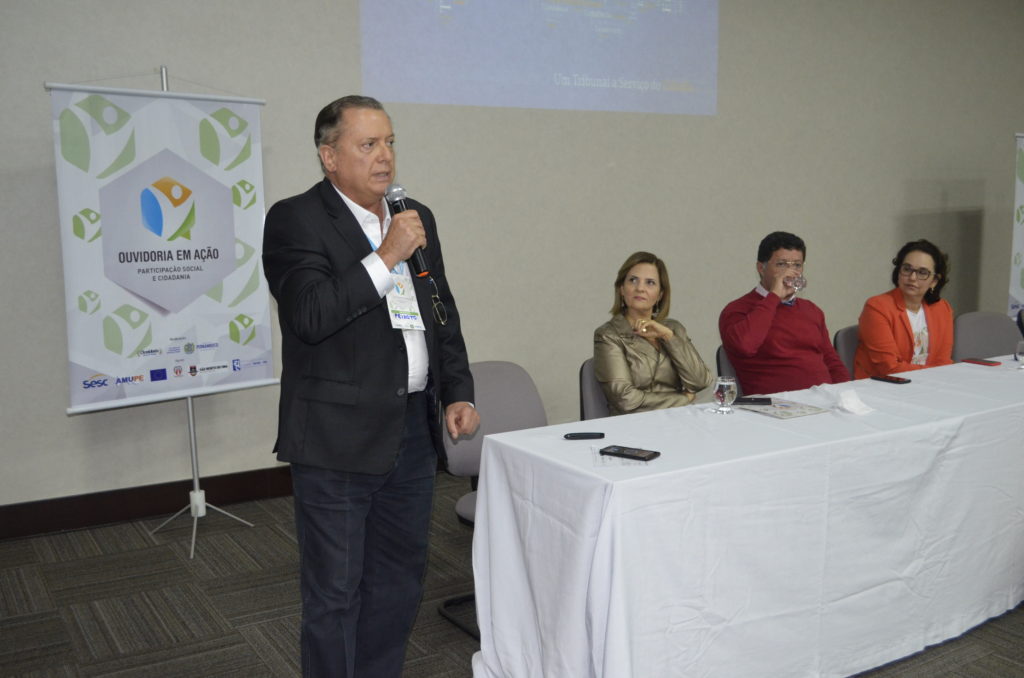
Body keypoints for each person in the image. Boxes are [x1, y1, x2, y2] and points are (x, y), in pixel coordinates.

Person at [262, 95, 479, 678]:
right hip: (335, 440)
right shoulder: (295, 219)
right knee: (334, 593)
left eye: (389, 143)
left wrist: (458, 390)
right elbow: (310, 315)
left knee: (398, 582)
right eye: (368, 145)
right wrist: (386, 256)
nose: (385, 156)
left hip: (411, 432)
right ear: (329, 156)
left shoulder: (414, 216)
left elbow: (440, 311)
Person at [719, 231, 849, 395]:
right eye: (781, 264)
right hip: (775, 404)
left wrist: (846, 393)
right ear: (761, 268)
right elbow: (745, 346)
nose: (790, 272)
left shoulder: (812, 310)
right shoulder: (737, 310)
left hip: (824, 400)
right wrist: (774, 297)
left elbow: (831, 361)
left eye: (797, 265)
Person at [594, 251, 713, 415]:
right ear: (621, 289)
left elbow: (700, 381)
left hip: (678, 420)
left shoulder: (673, 328)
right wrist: (684, 399)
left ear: (660, 295)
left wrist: (668, 337)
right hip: (632, 424)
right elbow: (625, 400)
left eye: (650, 283)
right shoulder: (608, 335)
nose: (640, 288)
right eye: (633, 280)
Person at [853, 239, 953, 378]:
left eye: (922, 272)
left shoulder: (942, 309)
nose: (912, 277)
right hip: (884, 385)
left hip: (928, 384)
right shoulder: (877, 307)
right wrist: (933, 374)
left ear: (934, 281)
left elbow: (943, 362)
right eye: (907, 269)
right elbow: (889, 368)